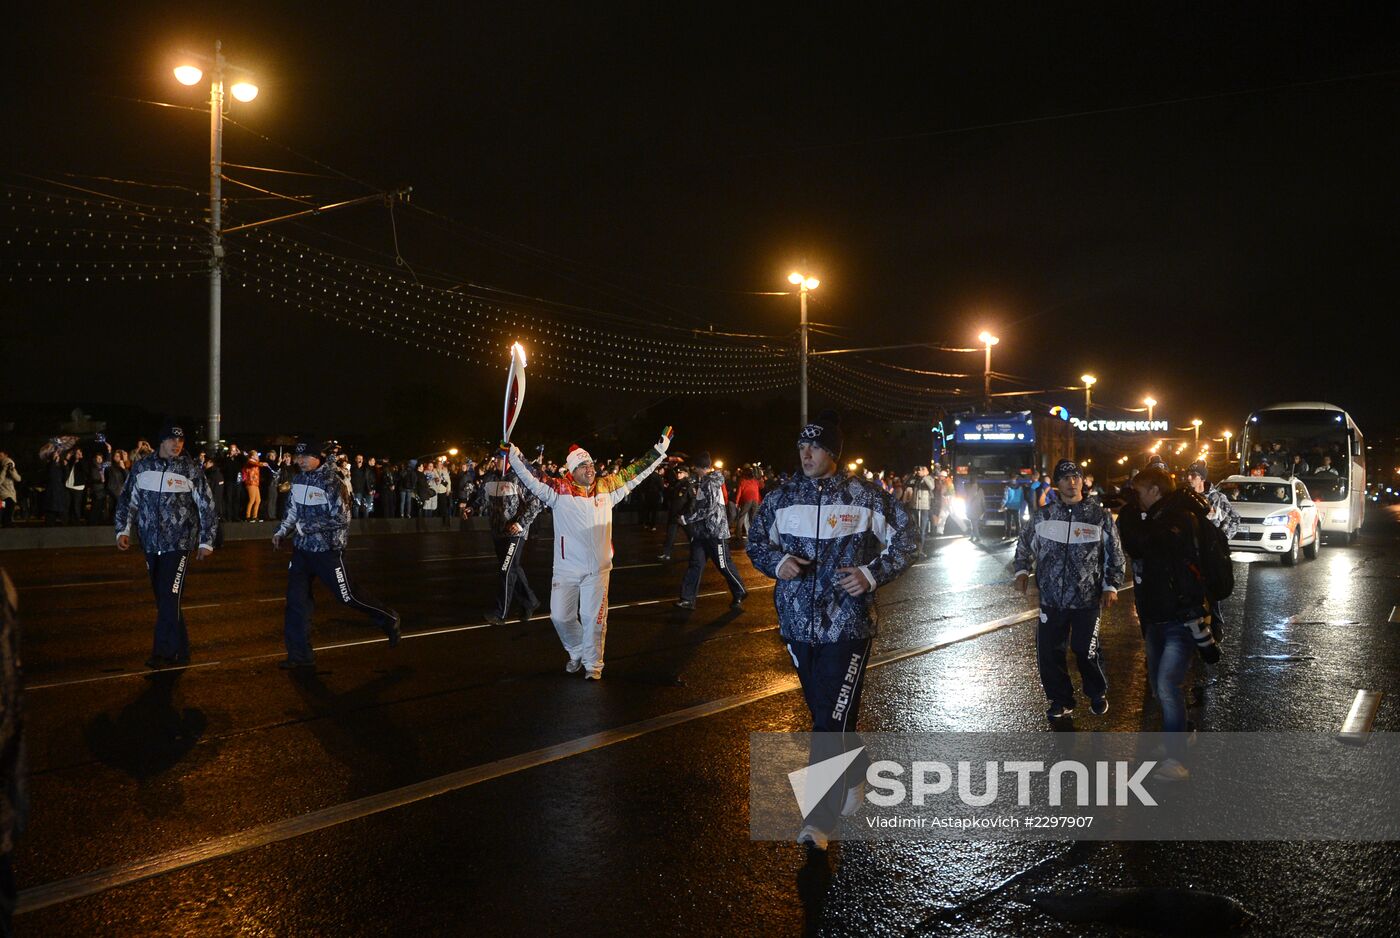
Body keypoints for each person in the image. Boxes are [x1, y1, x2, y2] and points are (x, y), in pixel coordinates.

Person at [746, 411, 918, 850]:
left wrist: (872, 573)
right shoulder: (782, 498)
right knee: (829, 713)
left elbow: (909, 537)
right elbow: (755, 542)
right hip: (797, 627)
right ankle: (858, 772)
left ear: (833, 453)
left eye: (815, 446)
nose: (805, 454)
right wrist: (776, 563)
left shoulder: (864, 497)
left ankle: (818, 822)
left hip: (848, 626)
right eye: (801, 446)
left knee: (828, 720)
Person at [507, 428, 673, 680]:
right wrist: (513, 453)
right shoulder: (558, 490)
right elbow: (532, 475)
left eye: (591, 464)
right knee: (560, 617)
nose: (590, 468)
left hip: (598, 569)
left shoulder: (607, 488)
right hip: (566, 568)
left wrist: (659, 451)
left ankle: (593, 666)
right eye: (583, 465)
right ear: (572, 471)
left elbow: (636, 472)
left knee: (593, 618)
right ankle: (576, 651)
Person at [1116, 466, 1219, 782]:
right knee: (1161, 689)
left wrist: (1129, 515)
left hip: (1180, 617)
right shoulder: (1163, 516)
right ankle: (1178, 735)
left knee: (1167, 685)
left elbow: (1140, 545)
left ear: (1155, 492)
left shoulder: (1176, 520)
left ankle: (1177, 761)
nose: (1137, 499)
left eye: (1140, 492)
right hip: (1157, 616)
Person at [272, 436, 400, 669]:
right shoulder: (299, 479)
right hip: (302, 551)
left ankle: (388, 618)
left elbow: (341, 518)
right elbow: (292, 510)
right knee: (295, 603)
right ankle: (300, 656)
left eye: (305, 456)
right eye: (298, 456)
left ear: (318, 457)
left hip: (327, 551)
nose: (299, 461)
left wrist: (305, 527)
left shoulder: (333, 482)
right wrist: (282, 531)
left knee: (347, 596)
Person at [1013, 459, 1125, 720]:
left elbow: (1115, 554)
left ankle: (1097, 693)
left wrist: (1111, 586)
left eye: (1075, 477)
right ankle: (1060, 700)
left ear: (1082, 481)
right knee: (1050, 652)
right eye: (1065, 478)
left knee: (1085, 649)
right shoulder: (1044, 515)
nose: (1071, 482)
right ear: (1056, 484)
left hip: (1087, 598)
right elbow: (1024, 545)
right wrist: (1021, 570)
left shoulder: (1099, 516)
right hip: (1052, 599)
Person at [113, 424, 220, 669]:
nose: (177, 444)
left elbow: (207, 505)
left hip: (179, 543)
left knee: (170, 598)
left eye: (180, 440)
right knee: (165, 601)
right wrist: (123, 530)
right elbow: (127, 500)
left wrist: (206, 541)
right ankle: (182, 650)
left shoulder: (190, 469)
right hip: (150, 543)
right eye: (172, 439)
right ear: (161, 441)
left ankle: (163, 652)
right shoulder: (142, 467)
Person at [473, 452, 544, 627]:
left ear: (506, 461)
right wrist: (470, 507)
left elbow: (536, 503)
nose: (494, 461)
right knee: (513, 569)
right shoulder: (491, 478)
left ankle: (500, 613)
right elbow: (482, 497)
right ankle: (530, 601)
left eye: (498, 459)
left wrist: (520, 524)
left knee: (506, 570)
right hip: (498, 531)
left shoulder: (518, 477)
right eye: (494, 458)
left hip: (515, 533)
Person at [674, 452, 747, 610]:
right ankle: (687, 599)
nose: (694, 469)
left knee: (723, 565)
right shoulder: (705, 481)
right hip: (702, 533)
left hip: (715, 533)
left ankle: (739, 591)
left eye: (696, 467)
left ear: (700, 467)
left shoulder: (710, 483)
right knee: (695, 564)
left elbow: (709, 508)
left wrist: (687, 519)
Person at [657, 465, 694, 561]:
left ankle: (697, 554)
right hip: (674, 514)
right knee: (670, 535)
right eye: (677, 473)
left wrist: (685, 513)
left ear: (685, 474)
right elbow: (670, 497)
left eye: (680, 473)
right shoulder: (674, 484)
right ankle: (666, 553)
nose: (678, 474)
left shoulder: (688, 485)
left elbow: (692, 500)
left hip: (683, 516)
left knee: (691, 535)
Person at [0, 453, 19, 528]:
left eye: (1, 456)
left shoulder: (10, 468)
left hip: (11, 494)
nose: (0, 458)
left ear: (6, 455)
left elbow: (18, 479)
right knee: (8, 507)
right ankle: (7, 524)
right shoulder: (1, 469)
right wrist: (4, 469)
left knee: (6, 510)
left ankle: (6, 524)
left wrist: (12, 470)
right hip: (3, 494)